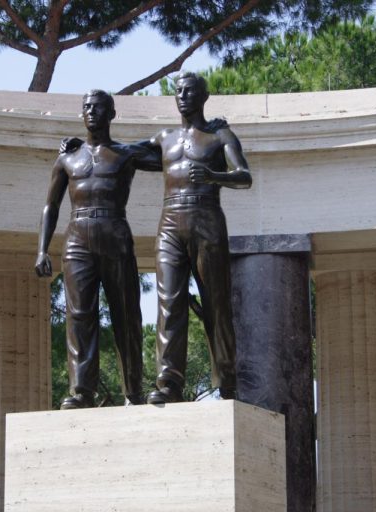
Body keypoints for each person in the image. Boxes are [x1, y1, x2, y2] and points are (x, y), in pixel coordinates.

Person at [35, 90, 158, 409]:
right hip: (77, 239)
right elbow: (51, 206)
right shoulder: (67, 158)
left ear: (112, 114)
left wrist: (206, 131)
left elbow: (168, 156)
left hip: (115, 235)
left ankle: (133, 390)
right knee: (79, 317)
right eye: (87, 107)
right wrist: (42, 249)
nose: (92, 112)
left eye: (99, 107)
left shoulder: (126, 153)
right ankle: (81, 391)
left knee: (127, 315)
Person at [142, 71, 252, 405]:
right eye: (178, 91)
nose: (183, 96)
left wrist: (213, 175)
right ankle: (169, 382)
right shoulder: (163, 138)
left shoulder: (221, 135)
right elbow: (121, 153)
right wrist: (79, 147)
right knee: (169, 302)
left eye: (190, 91)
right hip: (170, 222)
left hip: (207, 219)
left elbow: (244, 176)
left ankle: (227, 379)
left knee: (216, 303)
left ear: (204, 97)